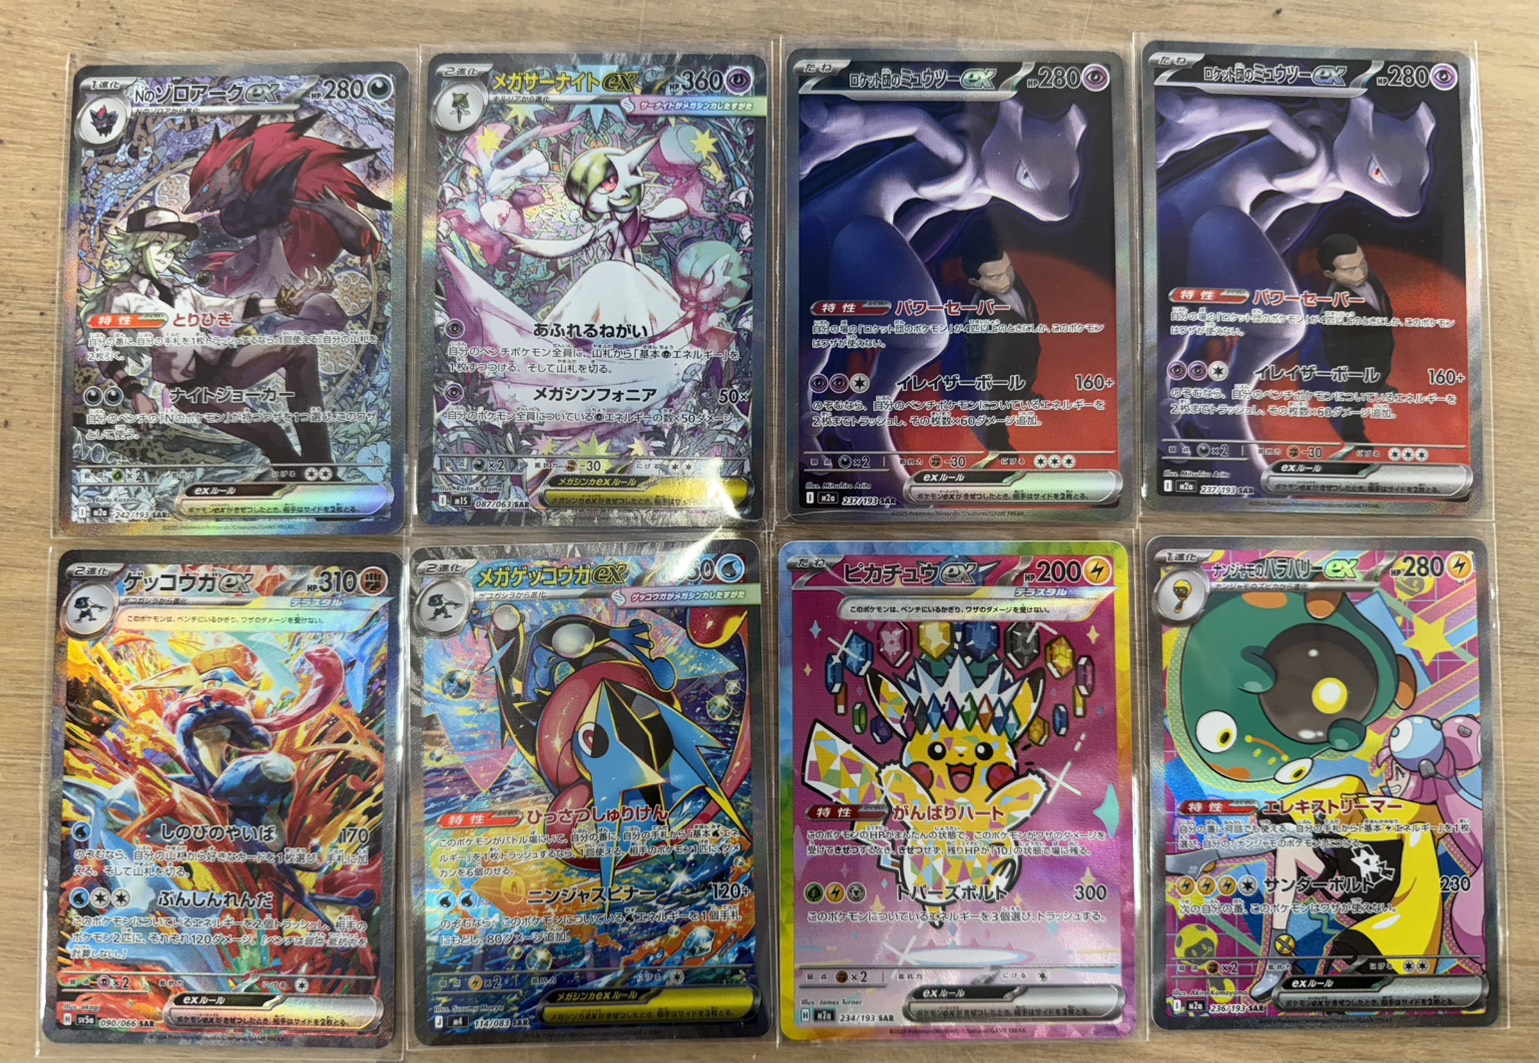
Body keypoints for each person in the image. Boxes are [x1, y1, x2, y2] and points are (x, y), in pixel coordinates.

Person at [82, 207, 337, 479]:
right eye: (158, 245)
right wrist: (135, 392)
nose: (166, 255)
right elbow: (104, 348)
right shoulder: (122, 296)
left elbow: (225, 308)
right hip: (192, 390)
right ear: (137, 247)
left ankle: (321, 466)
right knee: (270, 435)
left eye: (172, 249)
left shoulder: (180, 290)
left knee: (300, 349)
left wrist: (289, 301)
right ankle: (301, 481)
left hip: (227, 363)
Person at [961, 235, 1041, 452]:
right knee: (997, 410)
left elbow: (1028, 306)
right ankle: (998, 444)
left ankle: (1024, 394)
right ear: (975, 282)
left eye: (1008, 269)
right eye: (995, 277)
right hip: (1000, 372)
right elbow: (976, 354)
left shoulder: (1014, 280)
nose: (1006, 279)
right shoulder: (977, 317)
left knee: (1027, 379)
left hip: (1027, 353)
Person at [1317, 234, 1395, 446]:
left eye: (1362, 263)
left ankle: (1379, 385)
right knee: (1354, 402)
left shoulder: (1369, 275)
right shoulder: (1332, 309)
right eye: (1350, 270)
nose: (1360, 272)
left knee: (1382, 370)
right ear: (1329, 274)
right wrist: (1350, 372)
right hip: (1356, 365)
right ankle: (1353, 435)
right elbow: (1335, 348)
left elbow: (1381, 299)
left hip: (1380, 347)